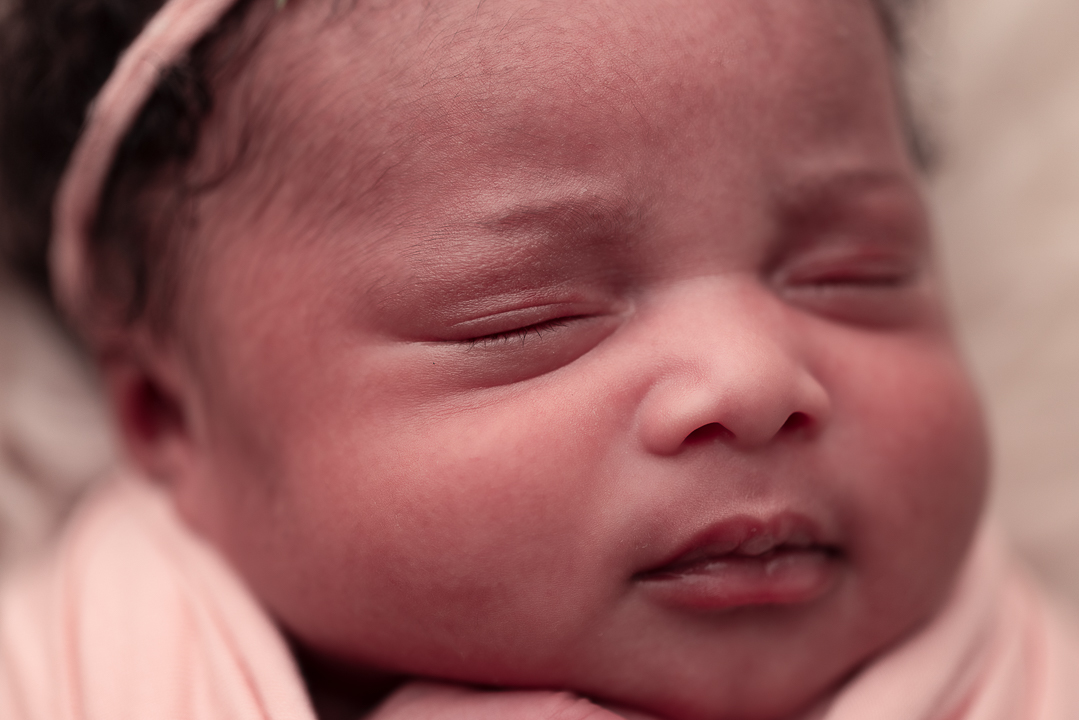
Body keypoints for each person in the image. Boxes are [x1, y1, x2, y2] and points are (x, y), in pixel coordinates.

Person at [0, 0, 1077, 718]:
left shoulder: (1020, 672)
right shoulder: (73, 670)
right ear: (165, 420)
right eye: (524, 319)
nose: (753, 378)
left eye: (852, 273)